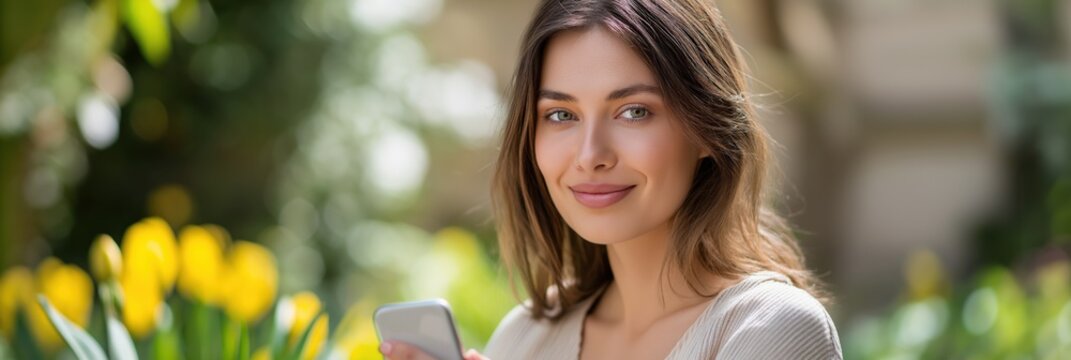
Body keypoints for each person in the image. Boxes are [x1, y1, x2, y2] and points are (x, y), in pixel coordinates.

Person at [380, 0, 842, 358]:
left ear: (708, 128)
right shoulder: (526, 337)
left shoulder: (772, 329)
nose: (590, 155)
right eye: (561, 114)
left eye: (633, 111)